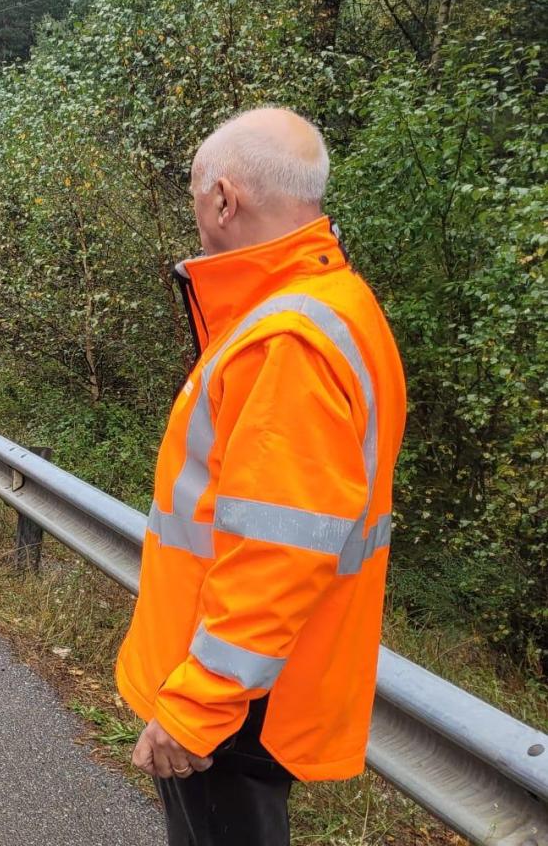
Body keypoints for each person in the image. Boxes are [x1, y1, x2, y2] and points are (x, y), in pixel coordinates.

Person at [114, 108, 406, 845]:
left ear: (222, 198)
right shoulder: (332, 304)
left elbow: (279, 552)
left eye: (192, 197)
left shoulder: (288, 342)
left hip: (241, 704)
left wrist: (197, 707)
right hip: (263, 682)